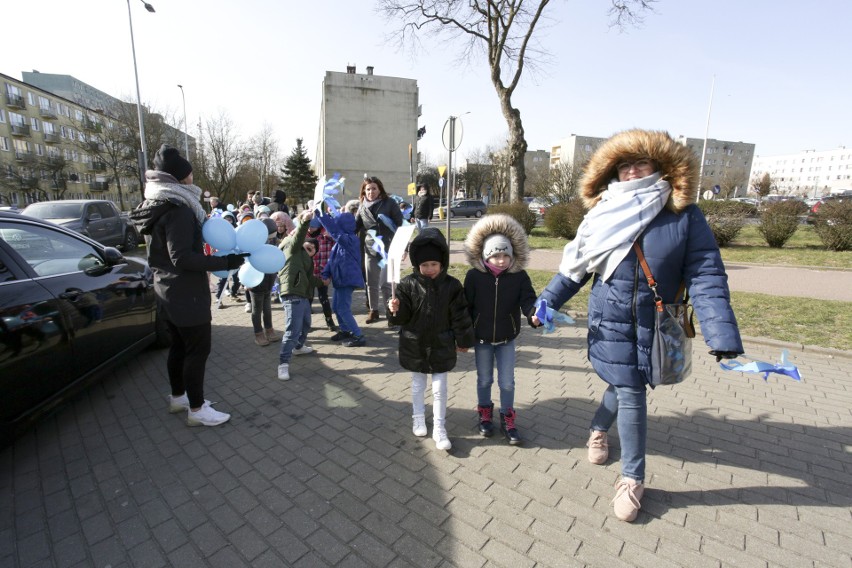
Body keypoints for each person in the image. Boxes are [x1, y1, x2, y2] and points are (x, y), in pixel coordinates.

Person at [536, 129, 743, 522]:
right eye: (624, 166)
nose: (632, 172)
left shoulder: (683, 215)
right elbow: (576, 269)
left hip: (657, 321)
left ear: (660, 167)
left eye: (641, 163)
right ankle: (633, 478)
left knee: (625, 383)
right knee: (630, 389)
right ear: (612, 173)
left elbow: (706, 274)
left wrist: (720, 332)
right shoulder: (601, 213)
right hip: (609, 320)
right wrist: (544, 303)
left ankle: (598, 427)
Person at [130, 144, 245, 426]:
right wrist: (225, 263)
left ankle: (179, 397)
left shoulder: (157, 205)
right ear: (181, 177)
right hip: (185, 294)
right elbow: (181, 257)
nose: (194, 177)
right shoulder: (179, 209)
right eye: (190, 173)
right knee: (197, 350)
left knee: (179, 348)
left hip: (166, 290)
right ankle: (197, 410)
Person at [388, 228, 474, 451]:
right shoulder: (406, 285)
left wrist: (463, 340)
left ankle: (439, 427)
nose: (429, 269)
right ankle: (418, 417)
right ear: (417, 265)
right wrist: (394, 309)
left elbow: (461, 315)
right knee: (418, 385)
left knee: (440, 388)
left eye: (433, 264)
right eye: (424, 265)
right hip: (414, 342)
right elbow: (400, 319)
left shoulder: (452, 286)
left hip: (441, 344)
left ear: (442, 263)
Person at [463, 214, 540, 445]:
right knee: (484, 380)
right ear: (486, 255)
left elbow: (529, 300)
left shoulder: (519, 277)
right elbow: (465, 307)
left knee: (507, 382)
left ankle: (508, 417)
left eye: (506, 255)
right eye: (496, 255)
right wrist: (462, 336)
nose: (501, 260)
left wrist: (533, 314)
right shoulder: (474, 277)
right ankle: (484, 413)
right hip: (482, 340)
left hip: (507, 339)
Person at [276, 209, 324, 381]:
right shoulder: (290, 244)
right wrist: (304, 222)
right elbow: (298, 237)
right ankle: (283, 364)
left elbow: (309, 277)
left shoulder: (302, 254)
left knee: (305, 324)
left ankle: (298, 347)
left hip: (302, 294)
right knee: (292, 329)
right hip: (292, 293)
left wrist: (321, 282)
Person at [355, 177, 403, 325]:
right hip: (370, 247)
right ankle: (374, 311)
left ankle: (391, 313)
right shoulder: (362, 206)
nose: (371, 192)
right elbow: (355, 226)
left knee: (387, 284)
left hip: (389, 248)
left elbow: (400, 224)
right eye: (368, 189)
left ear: (380, 189)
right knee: (371, 282)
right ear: (364, 191)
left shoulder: (389, 203)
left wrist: (403, 246)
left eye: (374, 188)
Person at [317, 210, 366, 347]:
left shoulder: (351, 240)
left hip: (347, 279)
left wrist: (320, 213)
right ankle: (345, 330)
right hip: (340, 280)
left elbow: (334, 231)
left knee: (343, 308)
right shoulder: (339, 243)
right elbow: (331, 261)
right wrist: (326, 273)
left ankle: (358, 335)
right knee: (336, 307)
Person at [248, 218, 282, 346]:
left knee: (267, 308)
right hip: (256, 281)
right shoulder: (253, 243)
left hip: (269, 280)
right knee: (257, 309)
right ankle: (258, 333)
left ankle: (269, 330)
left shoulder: (274, 241)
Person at [307, 217, 338, 332]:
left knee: (323, 297)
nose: (310, 229)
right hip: (308, 274)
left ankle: (329, 320)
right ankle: (307, 322)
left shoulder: (326, 238)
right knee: (308, 298)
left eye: (313, 226)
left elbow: (337, 244)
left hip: (322, 273)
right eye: (309, 226)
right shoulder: (304, 237)